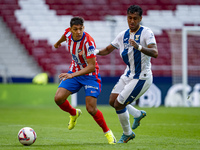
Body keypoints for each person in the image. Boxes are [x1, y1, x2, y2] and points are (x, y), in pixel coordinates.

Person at [95, 5, 158, 143]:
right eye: (129, 18)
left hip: (142, 77)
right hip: (128, 74)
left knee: (119, 104)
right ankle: (137, 114)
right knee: (112, 101)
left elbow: (155, 53)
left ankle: (127, 133)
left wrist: (139, 47)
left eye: (135, 18)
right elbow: (108, 49)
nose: (132, 21)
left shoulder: (146, 32)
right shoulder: (122, 35)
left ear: (140, 19)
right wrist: (96, 51)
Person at [54, 16, 116, 144]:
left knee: (91, 109)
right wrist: (58, 43)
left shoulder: (89, 43)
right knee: (58, 98)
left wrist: (73, 75)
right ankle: (74, 113)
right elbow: (64, 36)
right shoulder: (68, 33)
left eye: (80, 29)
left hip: (90, 76)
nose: (78, 32)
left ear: (84, 28)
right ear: (70, 29)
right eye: (75, 29)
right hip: (74, 71)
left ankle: (108, 133)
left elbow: (91, 66)